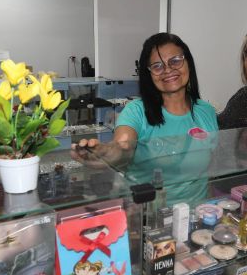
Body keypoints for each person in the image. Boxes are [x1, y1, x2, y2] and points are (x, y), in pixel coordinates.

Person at [72, 32, 218, 203]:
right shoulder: (136, 111)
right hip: (149, 217)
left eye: (176, 61)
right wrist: (103, 153)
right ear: (148, 73)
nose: (168, 70)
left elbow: (210, 171)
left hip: (197, 217)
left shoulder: (206, 111)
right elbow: (122, 146)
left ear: (188, 63)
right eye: (157, 66)